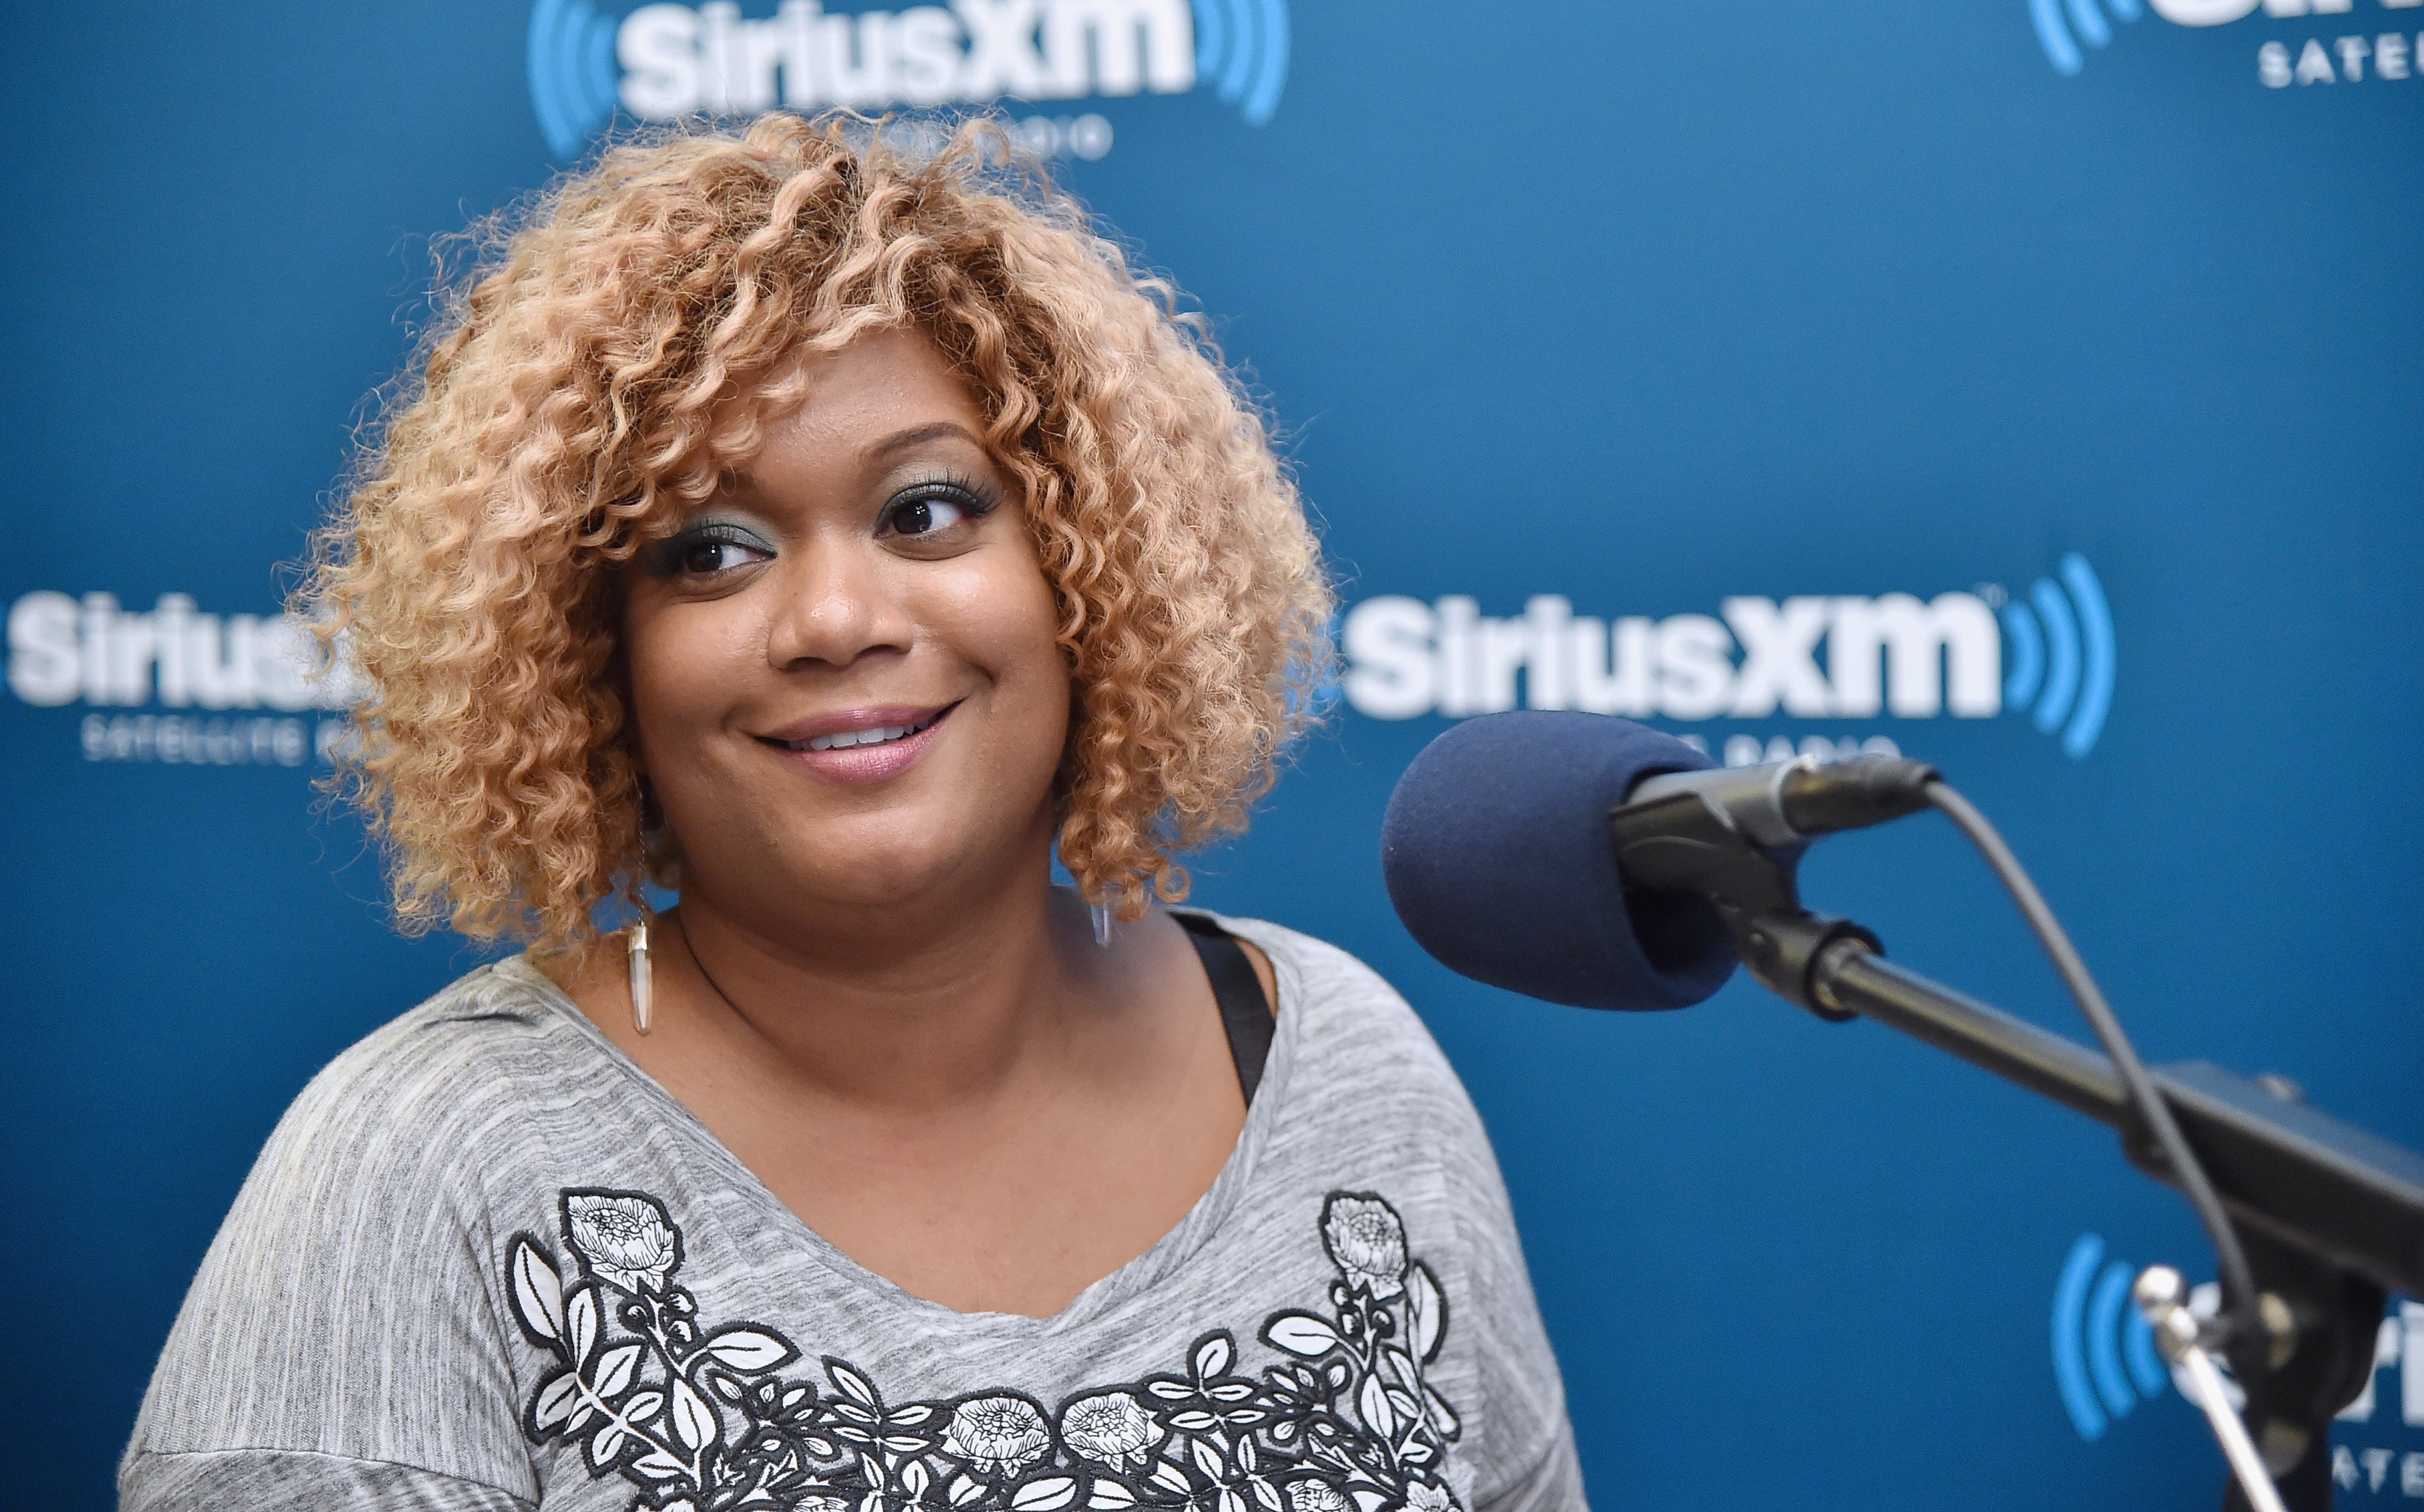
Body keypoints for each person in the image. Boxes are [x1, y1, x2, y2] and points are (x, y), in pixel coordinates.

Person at [121, 115, 1585, 1512]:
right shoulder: (421, 1173)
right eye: (710, 547)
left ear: (1096, 571)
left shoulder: (1343, 1071)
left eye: (926, 511)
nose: (833, 618)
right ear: (588, 654)